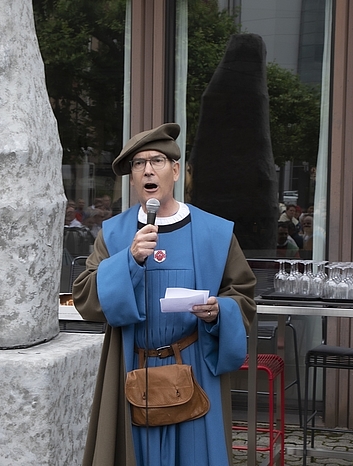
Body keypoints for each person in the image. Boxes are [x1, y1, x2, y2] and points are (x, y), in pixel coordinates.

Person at [72, 123, 256, 466]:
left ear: (175, 170)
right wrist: (128, 260)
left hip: (195, 368)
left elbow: (242, 293)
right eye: (138, 164)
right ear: (132, 178)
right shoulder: (114, 234)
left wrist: (220, 312)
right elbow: (85, 296)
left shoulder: (215, 232)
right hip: (132, 366)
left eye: (157, 161)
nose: (147, 170)